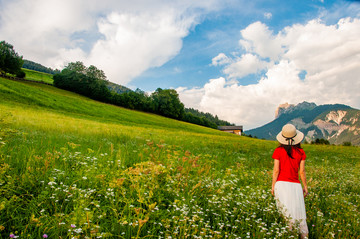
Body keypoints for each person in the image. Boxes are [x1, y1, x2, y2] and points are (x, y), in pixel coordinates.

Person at [271, 124, 309, 239]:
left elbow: (276, 170)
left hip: (281, 185)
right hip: (295, 186)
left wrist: (273, 186)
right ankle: (303, 236)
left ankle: (289, 235)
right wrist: (305, 186)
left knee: (286, 214)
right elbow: (301, 172)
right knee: (299, 214)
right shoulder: (301, 152)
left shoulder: (278, 151)